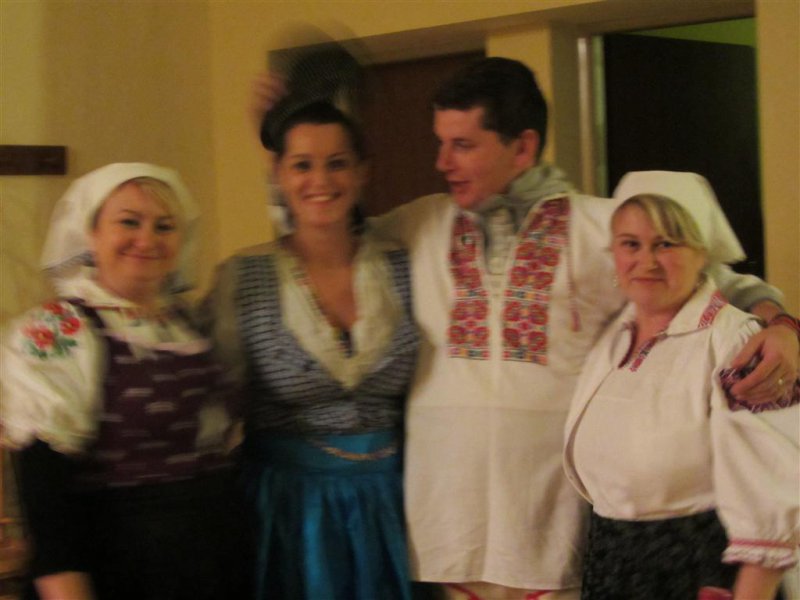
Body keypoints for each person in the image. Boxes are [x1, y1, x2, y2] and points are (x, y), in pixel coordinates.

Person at [252, 57, 799, 599]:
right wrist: (286, 138)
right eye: (441, 142)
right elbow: (324, 233)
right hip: (445, 536)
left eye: (462, 145)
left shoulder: (600, 227)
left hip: (549, 536)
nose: (442, 161)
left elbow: (713, 277)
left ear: (523, 147)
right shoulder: (419, 225)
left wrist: (782, 327)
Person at [203, 100, 419, 599]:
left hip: (393, 503)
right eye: (302, 164)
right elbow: (212, 406)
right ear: (278, 175)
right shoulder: (243, 279)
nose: (320, 180)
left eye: (336, 163)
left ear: (362, 172)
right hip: (288, 512)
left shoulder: (404, 267)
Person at [0, 163, 246, 600]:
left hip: (207, 557)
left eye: (164, 226)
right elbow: (46, 490)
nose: (147, 240)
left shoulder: (187, 322)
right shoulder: (62, 330)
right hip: (118, 564)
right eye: (129, 222)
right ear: (91, 233)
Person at [562, 189, 799, 599]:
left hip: (701, 569)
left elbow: (772, 489)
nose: (647, 261)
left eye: (666, 244)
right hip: (613, 561)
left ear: (701, 254)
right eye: (631, 244)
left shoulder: (735, 341)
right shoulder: (614, 337)